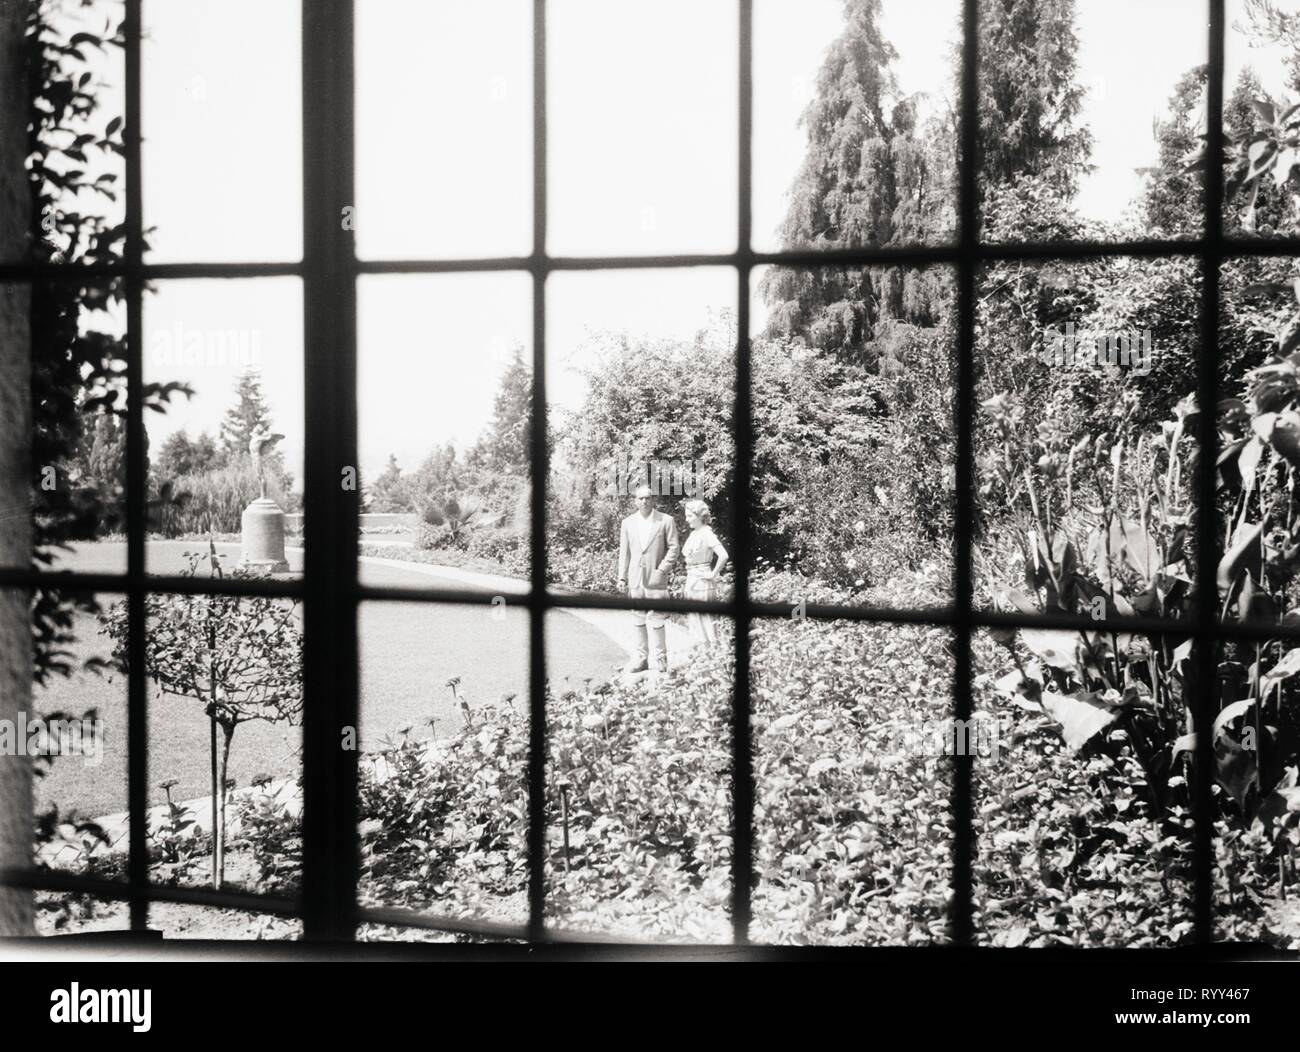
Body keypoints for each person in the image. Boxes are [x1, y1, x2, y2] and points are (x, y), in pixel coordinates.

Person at [616, 484, 680, 674]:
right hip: (636, 579)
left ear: (653, 500)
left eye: (648, 498)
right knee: (638, 617)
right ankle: (641, 659)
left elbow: (674, 548)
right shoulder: (627, 523)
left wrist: (662, 569)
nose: (644, 501)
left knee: (658, 617)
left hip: (656, 578)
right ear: (635, 501)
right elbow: (624, 553)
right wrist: (622, 577)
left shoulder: (666, 521)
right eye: (640, 498)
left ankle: (661, 659)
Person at [682, 499, 729, 648]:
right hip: (692, 579)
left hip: (703, 581)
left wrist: (712, 574)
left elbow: (723, 555)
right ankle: (703, 654)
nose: (686, 519)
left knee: (706, 618)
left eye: (690, 516)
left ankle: (714, 656)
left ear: (698, 516)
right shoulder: (694, 533)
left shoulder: (706, 533)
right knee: (695, 617)